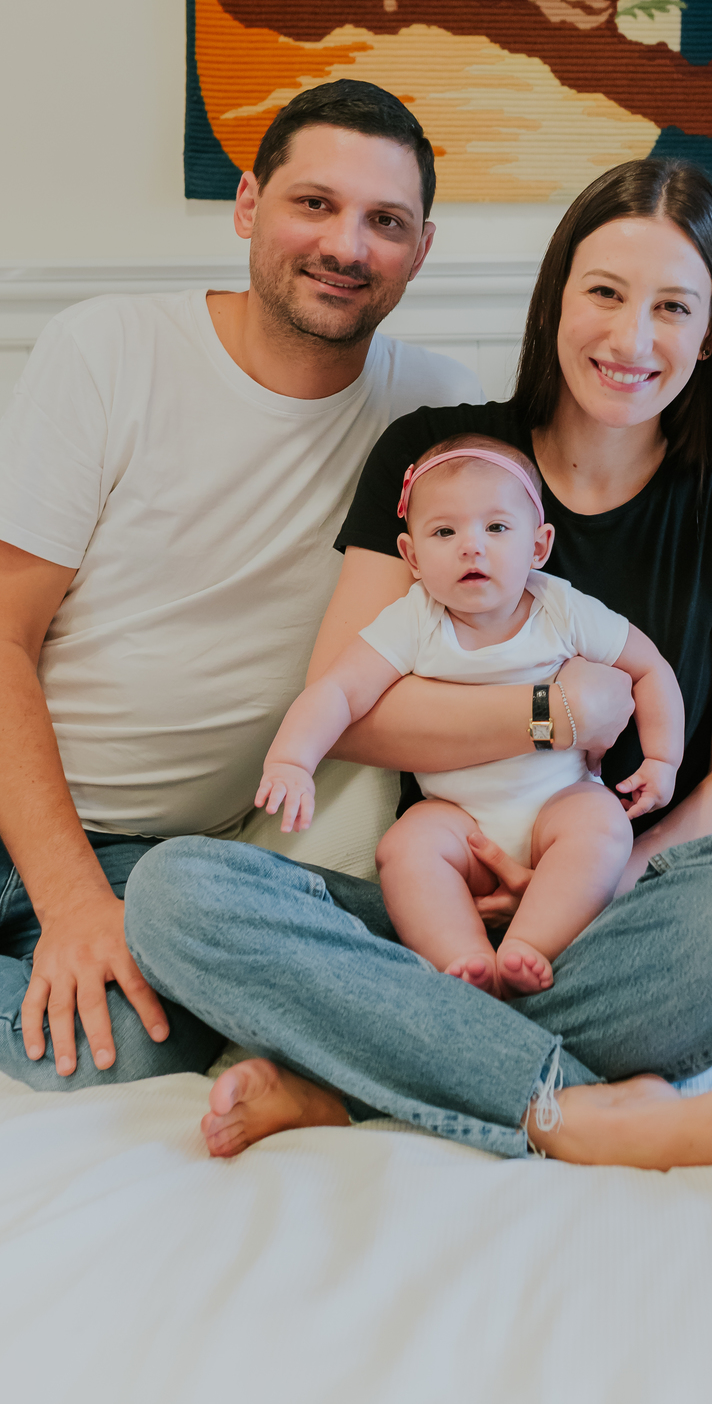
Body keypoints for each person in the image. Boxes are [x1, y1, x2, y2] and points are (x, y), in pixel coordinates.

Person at [123, 156, 712, 1169]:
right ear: (557, 298)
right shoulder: (436, 462)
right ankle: (571, 1109)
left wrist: (596, 881)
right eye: (605, 293)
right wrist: (552, 713)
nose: (631, 338)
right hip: (431, 910)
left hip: (619, 903)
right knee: (174, 892)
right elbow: (349, 709)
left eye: (673, 307)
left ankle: (359, 1073)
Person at [0, 79, 486, 1091]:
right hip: (27, 811)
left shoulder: (435, 414)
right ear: (248, 204)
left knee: (128, 1045)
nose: (347, 245)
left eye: (386, 221)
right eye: (315, 203)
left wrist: (559, 714)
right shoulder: (109, 350)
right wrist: (70, 899)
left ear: (421, 250)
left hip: (161, 860)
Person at [256, 432, 684, 997]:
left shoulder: (561, 609)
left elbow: (650, 668)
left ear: (539, 545)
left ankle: (529, 946)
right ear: (412, 556)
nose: (471, 548)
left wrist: (663, 758)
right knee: (405, 847)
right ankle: (464, 962)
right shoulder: (414, 621)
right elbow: (338, 692)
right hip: (459, 823)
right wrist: (292, 760)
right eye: (444, 532)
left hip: (559, 805)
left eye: (497, 528)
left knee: (601, 825)